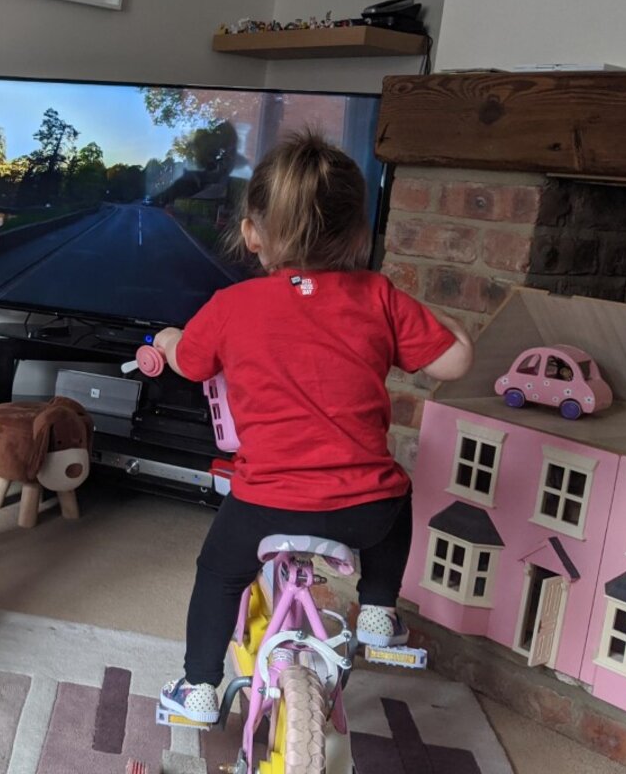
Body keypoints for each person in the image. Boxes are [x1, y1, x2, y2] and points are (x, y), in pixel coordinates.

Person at [150, 132, 474, 725]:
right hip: (364, 511)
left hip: (264, 505)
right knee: (399, 490)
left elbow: (191, 363)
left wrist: (169, 340)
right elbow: (454, 360)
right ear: (358, 236)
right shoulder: (378, 296)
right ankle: (377, 609)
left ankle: (198, 687)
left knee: (219, 574)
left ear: (252, 234)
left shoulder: (231, 305)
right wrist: (424, 313)